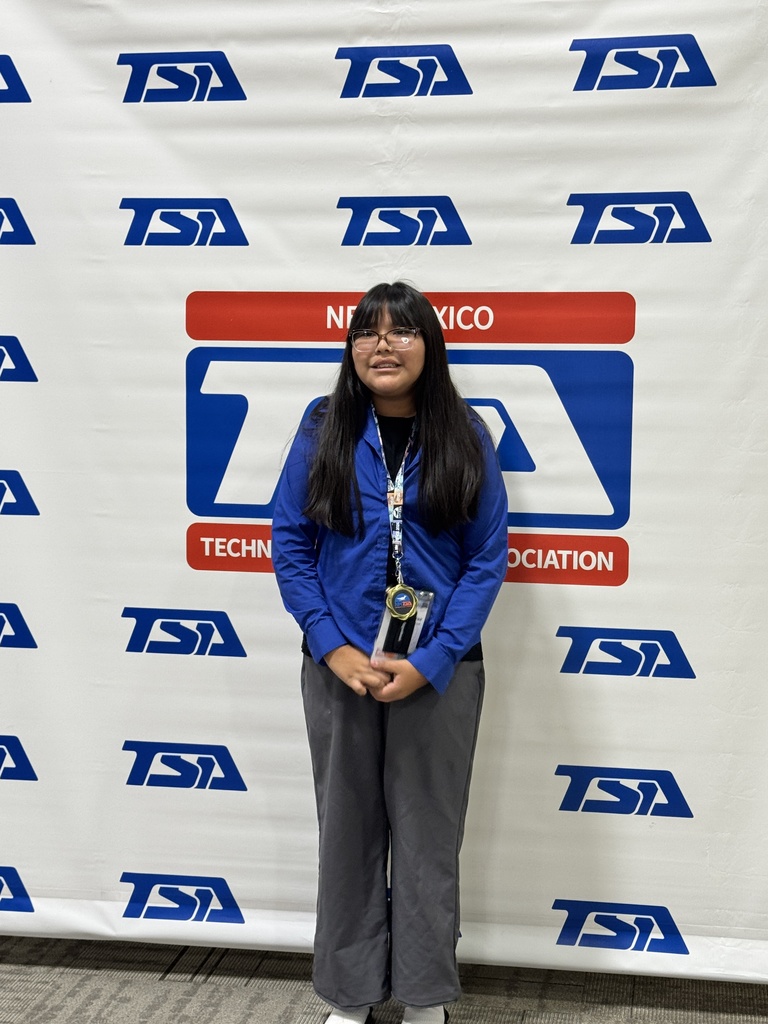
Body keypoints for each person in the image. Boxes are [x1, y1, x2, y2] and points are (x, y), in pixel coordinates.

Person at [271, 281, 509, 1024]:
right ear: (349, 350)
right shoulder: (323, 430)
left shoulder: (466, 434)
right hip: (341, 670)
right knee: (347, 836)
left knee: (428, 841)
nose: (383, 344)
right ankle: (351, 996)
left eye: (401, 331)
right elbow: (290, 545)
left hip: (438, 675)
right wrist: (332, 646)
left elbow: (487, 559)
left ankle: (426, 997)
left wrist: (433, 659)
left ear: (428, 346)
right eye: (367, 332)